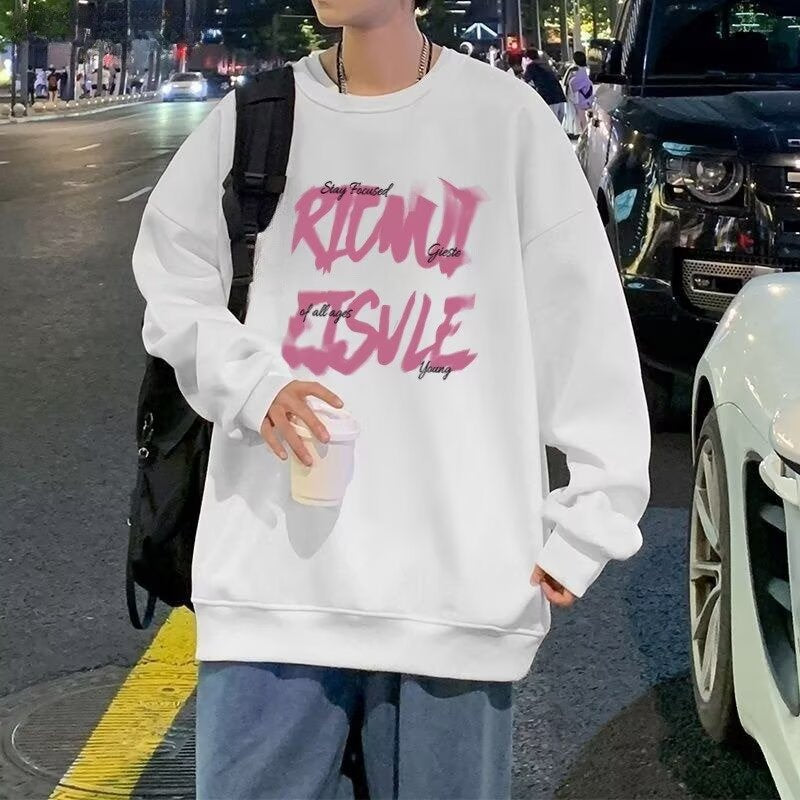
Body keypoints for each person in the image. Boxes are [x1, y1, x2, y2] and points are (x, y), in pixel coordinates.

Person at [131, 0, 651, 793]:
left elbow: (584, 325)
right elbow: (173, 280)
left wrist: (595, 515)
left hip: (454, 592)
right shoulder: (258, 117)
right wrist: (251, 382)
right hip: (275, 585)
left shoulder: (504, 120)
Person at [523, 47, 567, 122]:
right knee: (558, 123)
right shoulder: (546, 64)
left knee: (551, 122)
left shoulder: (532, 67)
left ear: (528, 58)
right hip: (560, 96)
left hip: (548, 97)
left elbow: (525, 80)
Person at [563, 51, 594, 137]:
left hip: (580, 97)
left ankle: (585, 134)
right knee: (584, 117)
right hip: (586, 95)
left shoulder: (575, 70)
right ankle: (586, 133)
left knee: (582, 117)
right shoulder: (585, 69)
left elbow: (571, 84)